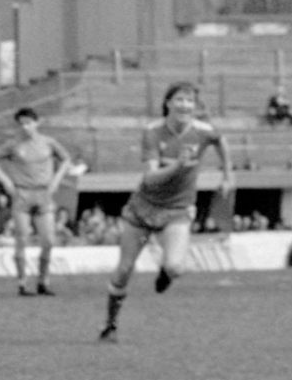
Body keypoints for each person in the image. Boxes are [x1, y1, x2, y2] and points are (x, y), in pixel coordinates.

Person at [99, 81, 231, 342]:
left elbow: (221, 141)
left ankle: (164, 273)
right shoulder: (152, 132)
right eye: (179, 99)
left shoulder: (203, 131)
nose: (185, 105)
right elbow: (150, 178)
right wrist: (179, 166)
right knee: (124, 269)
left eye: (190, 100)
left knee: (175, 267)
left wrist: (228, 175)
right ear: (168, 103)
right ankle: (110, 325)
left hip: (177, 209)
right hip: (143, 208)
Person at [0, 107, 73, 296]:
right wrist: (6, 181)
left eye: (28, 123)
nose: (25, 127)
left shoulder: (48, 143)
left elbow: (66, 159)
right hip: (22, 195)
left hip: (44, 195)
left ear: (37, 123)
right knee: (22, 238)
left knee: (48, 240)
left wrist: (56, 180)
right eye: (21, 124)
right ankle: (22, 283)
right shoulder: (14, 145)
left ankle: (43, 280)